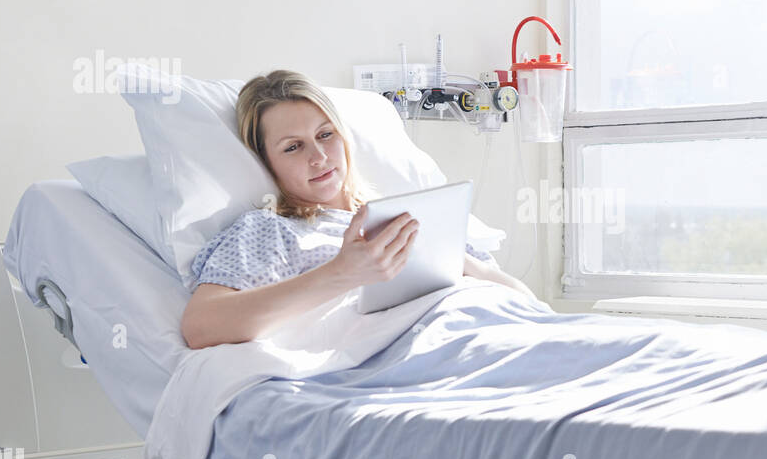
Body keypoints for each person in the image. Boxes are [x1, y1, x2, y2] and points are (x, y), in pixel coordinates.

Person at [180, 69, 536, 349]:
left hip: (492, 335)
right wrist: (342, 273)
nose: (318, 157)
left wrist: (453, 260)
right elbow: (201, 326)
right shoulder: (268, 231)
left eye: (325, 135)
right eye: (293, 147)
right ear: (266, 162)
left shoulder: (405, 217)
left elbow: (526, 303)